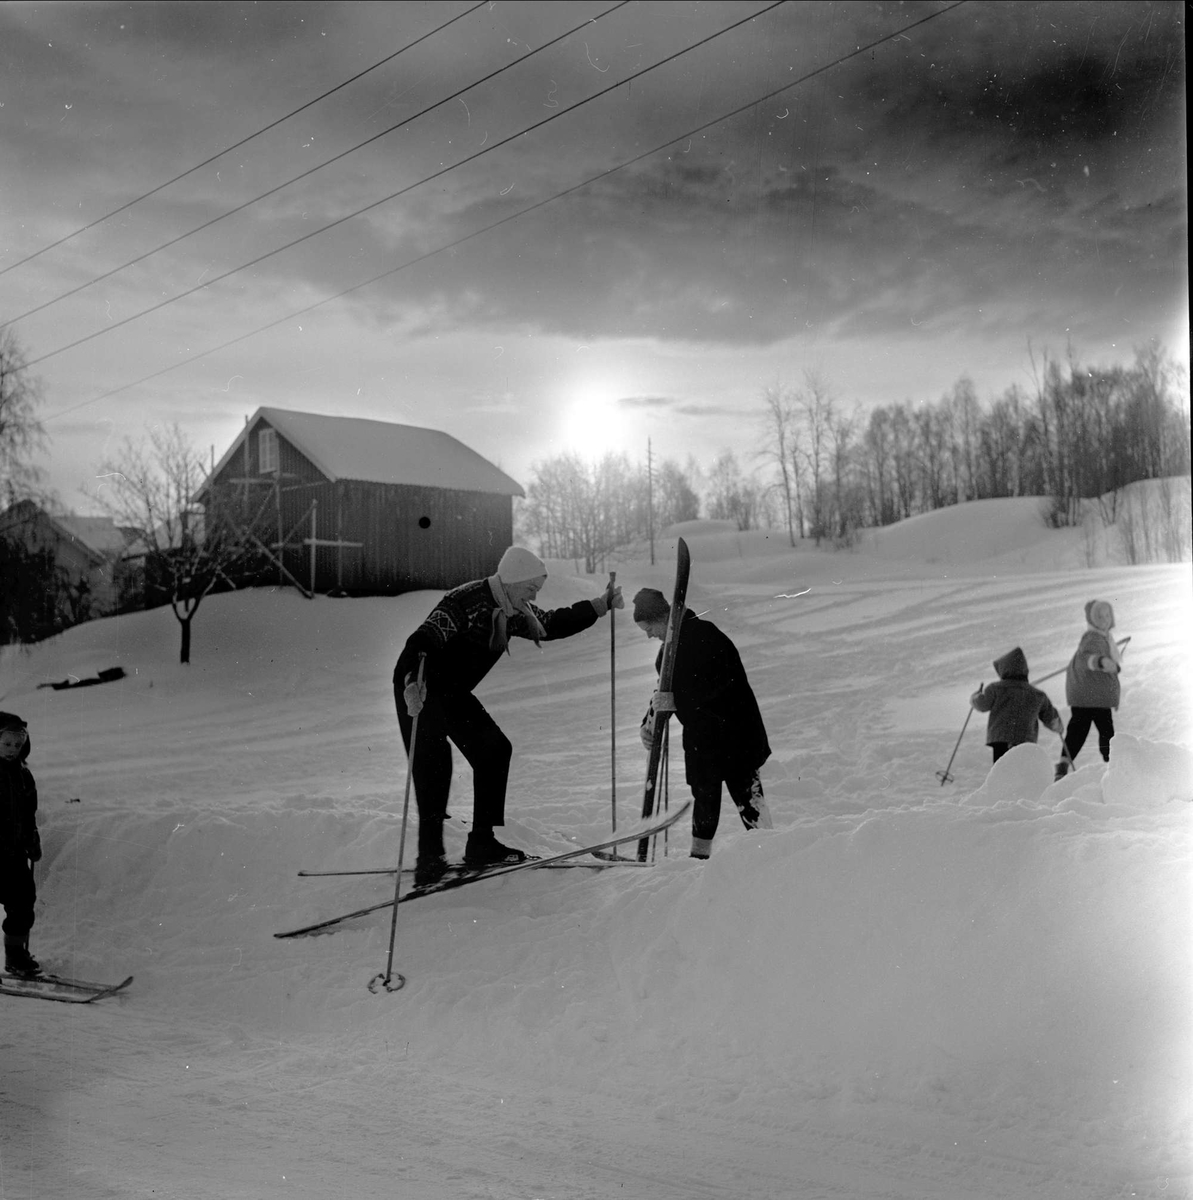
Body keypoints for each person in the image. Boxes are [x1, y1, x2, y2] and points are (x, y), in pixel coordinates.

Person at [394, 547, 623, 885]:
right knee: (433, 772)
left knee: (494, 750)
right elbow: (422, 640)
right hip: (420, 688)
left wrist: (599, 606)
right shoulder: (466, 601)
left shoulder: (512, 609)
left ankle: (482, 844)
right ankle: (429, 863)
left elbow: (550, 623)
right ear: (514, 582)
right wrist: (412, 682)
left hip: (452, 693)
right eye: (531, 589)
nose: (534, 597)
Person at [633, 587, 771, 860]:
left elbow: (722, 683)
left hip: (735, 734)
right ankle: (699, 860)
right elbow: (663, 692)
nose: (649, 635)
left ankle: (769, 852)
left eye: (649, 627)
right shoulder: (667, 654)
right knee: (705, 799)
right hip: (703, 741)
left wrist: (677, 701)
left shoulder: (707, 636)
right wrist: (648, 724)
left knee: (748, 797)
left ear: (663, 618)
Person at [1055, 599, 1123, 780]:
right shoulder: (1092, 637)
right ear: (1092, 620)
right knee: (1103, 732)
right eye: (1100, 616)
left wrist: (1112, 665)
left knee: (1081, 730)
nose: (1105, 619)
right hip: (1091, 696)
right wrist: (1101, 662)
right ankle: (1112, 766)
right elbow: (1086, 658)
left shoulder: (1104, 638)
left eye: (1108, 615)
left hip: (1091, 695)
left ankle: (1064, 763)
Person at [0, 711, 42, 978]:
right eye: (7, 743)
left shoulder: (23, 776)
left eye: (18, 744)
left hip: (13, 854)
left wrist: (32, 839)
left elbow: (28, 815)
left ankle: (15, 957)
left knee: (23, 902)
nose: (12, 749)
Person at [969, 647, 1063, 764]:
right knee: (1020, 770)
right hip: (1025, 740)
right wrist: (1057, 725)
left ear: (1004, 670)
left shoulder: (995, 688)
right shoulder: (1037, 694)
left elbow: (982, 704)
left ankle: (1001, 782)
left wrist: (975, 697)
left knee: (1002, 770)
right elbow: (1051, 717)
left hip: (1000, 738)